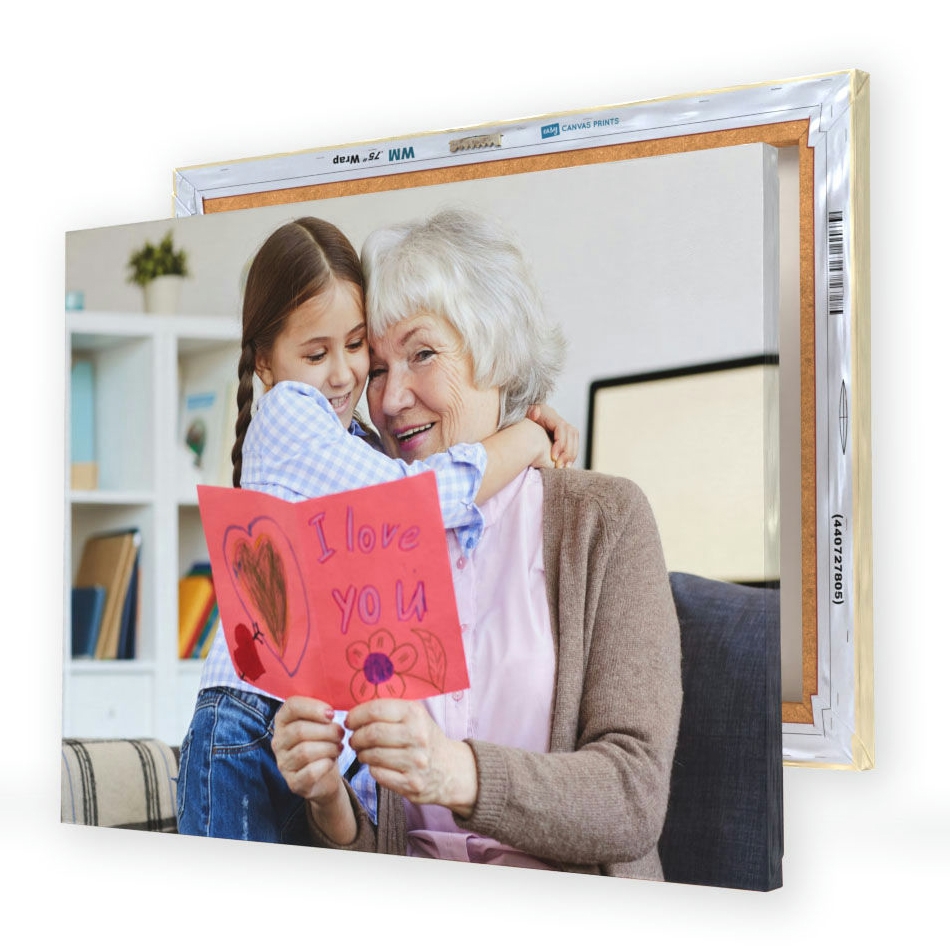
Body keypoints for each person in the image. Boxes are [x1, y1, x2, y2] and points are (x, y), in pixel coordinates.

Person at [272, 207, 683, 879]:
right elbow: (386, 843)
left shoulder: (604, 520)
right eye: (376, 369)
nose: (393, 397)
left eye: (422, 354)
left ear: (498, 354)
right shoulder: (370, 539)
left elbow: (632, 799)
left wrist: (451, 770)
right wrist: (328, 802)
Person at [176, 216, 577, 843]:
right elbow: (418, 499)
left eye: (357, 345)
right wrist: (524, 436)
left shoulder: (351, 445)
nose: (345, 376)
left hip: (302, 734)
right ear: (265, 363)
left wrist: (517, 414)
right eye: (315, 354)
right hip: (251, 723)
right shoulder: (290, 413)